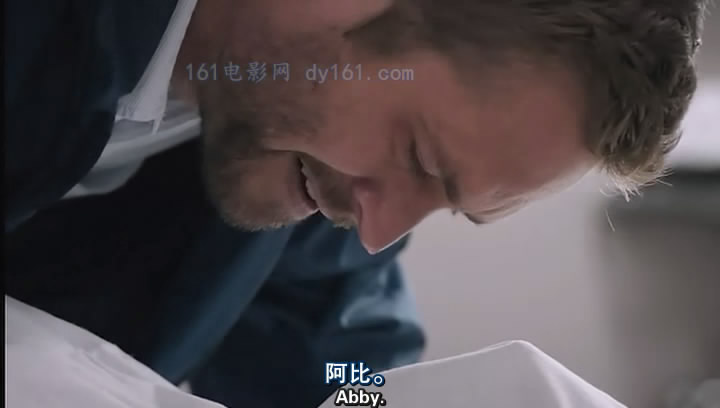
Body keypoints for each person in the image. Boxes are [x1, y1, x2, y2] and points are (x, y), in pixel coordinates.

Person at [4, 0, 708, 406]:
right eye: (420, 158)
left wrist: (393, 402)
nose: (378, 231)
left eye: (446, 201)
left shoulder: (293, 148)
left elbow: (333, 366)